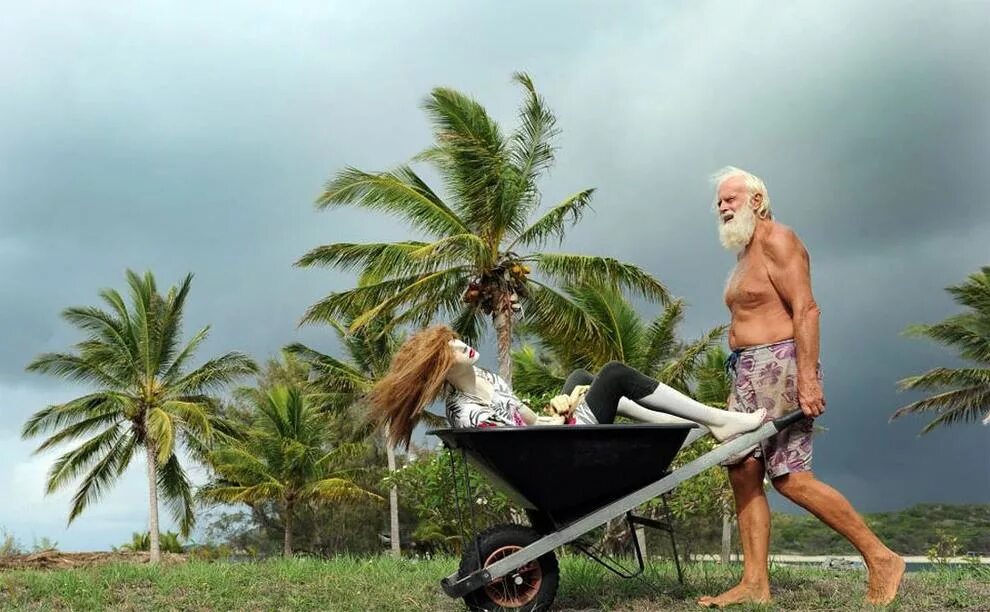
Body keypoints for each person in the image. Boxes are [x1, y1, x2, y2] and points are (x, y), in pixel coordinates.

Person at [697, 167, 904, 608]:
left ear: (757, 200)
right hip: (746, 370)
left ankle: (881, 558)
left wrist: (808, 379)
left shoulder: (779, 240)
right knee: (743, 471)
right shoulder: (743, 257)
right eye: (719, 201)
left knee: (791, 478)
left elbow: (806, 310)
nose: (722, 207)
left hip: (781, 365)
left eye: (730, 198)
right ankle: (755, 583)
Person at [367, 324, 765, 449]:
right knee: (613, 374)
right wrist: (564, 422)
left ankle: (686, 426)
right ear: (439, 367)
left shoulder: (486, 377)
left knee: (578, 379)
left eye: (454, 338)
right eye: (449, 348)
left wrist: (557, 410)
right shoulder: (467, 411)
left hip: (553, 439)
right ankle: (716, 421)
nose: (460, 344)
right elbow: (524, 446)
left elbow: (524, 419)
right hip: (557, 452)